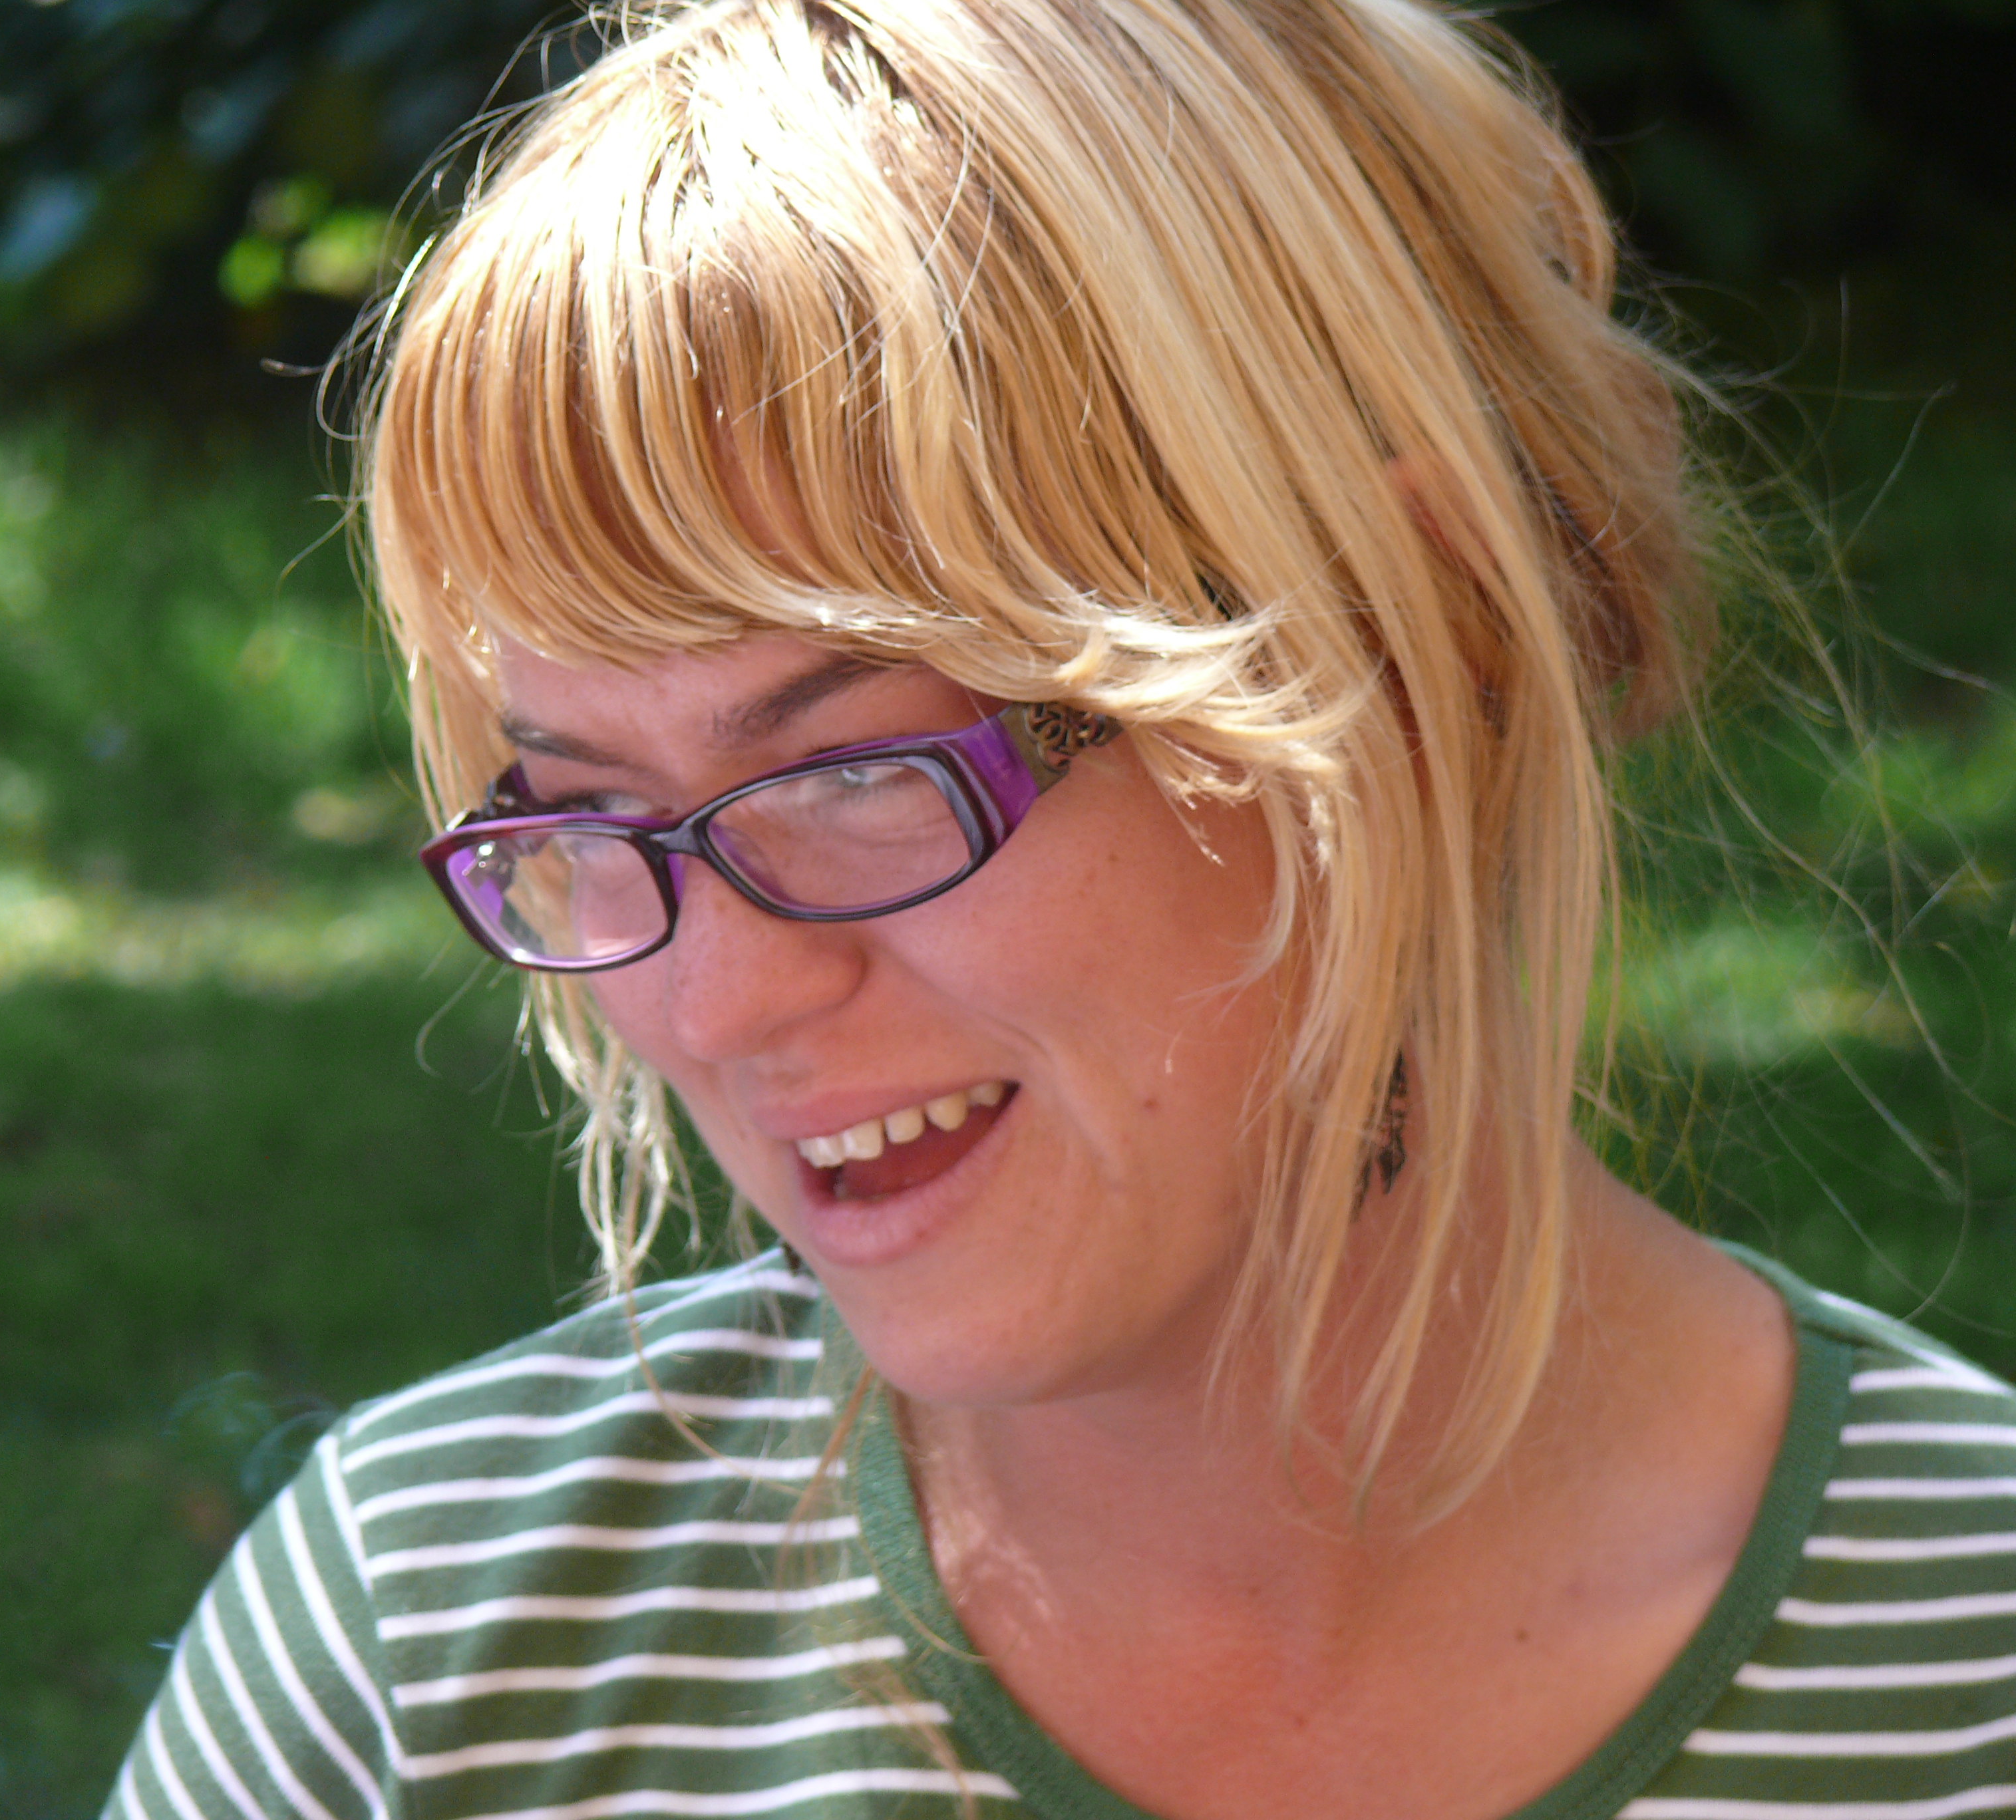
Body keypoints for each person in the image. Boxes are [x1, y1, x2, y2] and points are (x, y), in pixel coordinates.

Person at [104, 2, 2016, 1815]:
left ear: (1426, 649)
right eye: (586, 812)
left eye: (855, 773)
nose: (715, 1003)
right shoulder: (421, 1654)